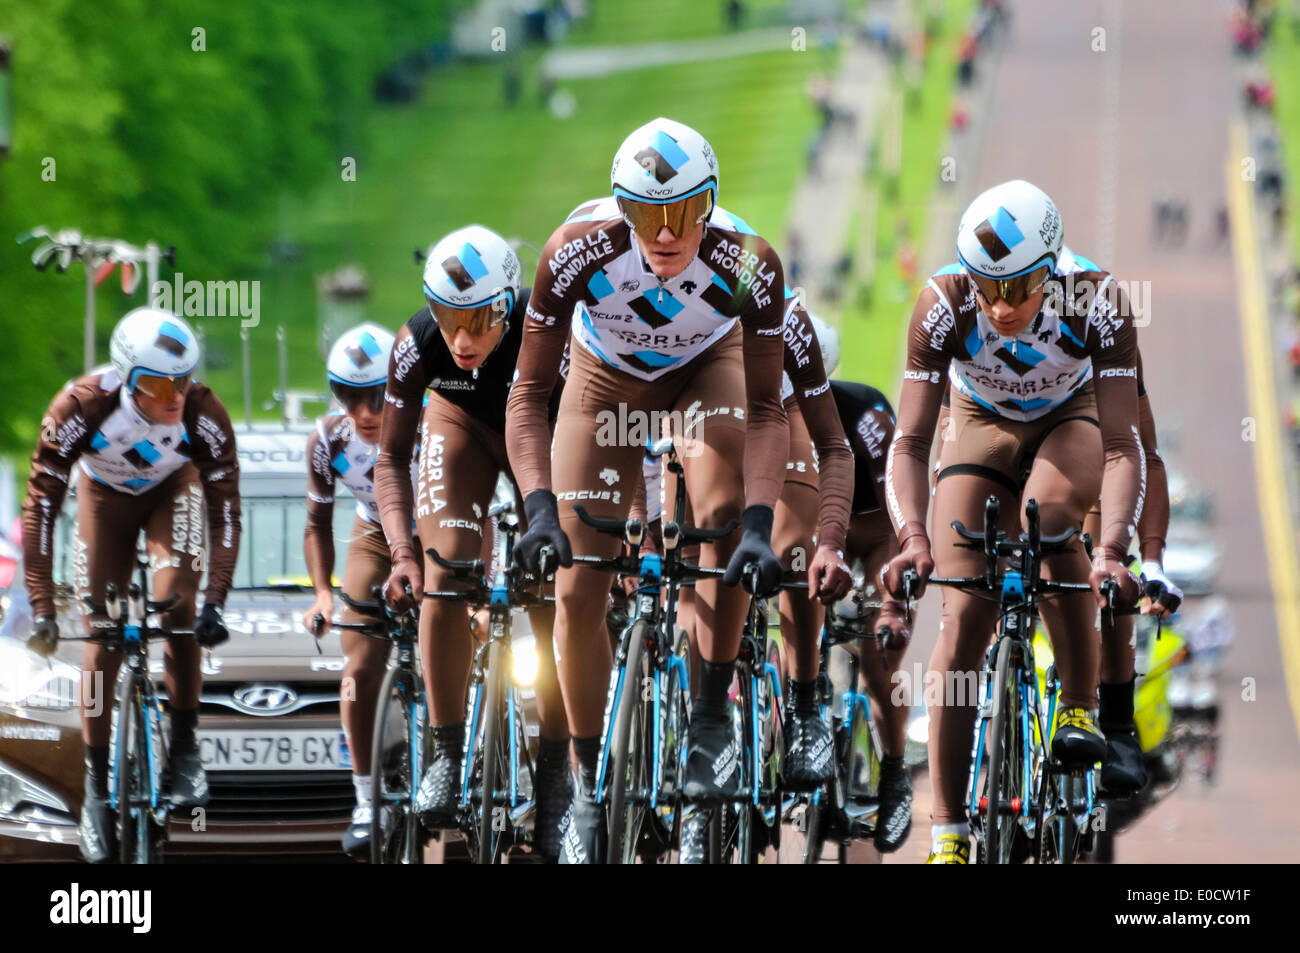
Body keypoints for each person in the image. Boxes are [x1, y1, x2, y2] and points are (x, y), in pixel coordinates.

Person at [505, 117, 801, 863]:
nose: (665, 233)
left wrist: (761, 525)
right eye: (645, 214)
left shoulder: (750, 262)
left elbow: (767, 410)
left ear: (710, 206)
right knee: (575, 585)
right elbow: (529, 392)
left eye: (683, 213)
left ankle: (708, 720)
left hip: (708, 366)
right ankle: (583, 779)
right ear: (619, 208)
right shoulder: (573, 250)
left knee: (722, 510)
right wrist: (540, 507)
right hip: (604, 375)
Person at [882, 181, 1144, 864]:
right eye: (986, 287)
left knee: (1052, 520)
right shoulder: (941, 303)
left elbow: (1123, 446)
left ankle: (1080, 706)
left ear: (1052, 268)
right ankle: (947, 832)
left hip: (1070, 416)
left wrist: (1112, 549)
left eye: (1019, 288)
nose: (999, 307)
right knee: (963, 611)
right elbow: (908, 444)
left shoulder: (1096, 300)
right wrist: (913, 538)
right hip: (980, 422)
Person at [374, 225, 572, 859]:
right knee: (447, 569)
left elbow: (592, 428)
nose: (461, 339)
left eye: (478, 321)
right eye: (447, 318)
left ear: (508, 305)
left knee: (553, 588)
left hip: (539, 425)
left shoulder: (549, 335)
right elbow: (391, 457)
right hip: (458, 424)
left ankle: (556, 775)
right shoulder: (417, 345)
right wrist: (404, 554)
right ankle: (447, 749)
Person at [21, 307, 241, 863]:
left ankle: (185, 747)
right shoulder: (81, 406)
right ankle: (97, 792)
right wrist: (43, 606)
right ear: (124, 377)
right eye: (157, 383)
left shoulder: (202, 411)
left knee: (177, 606)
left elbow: (227, 510)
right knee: (101, 633)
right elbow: (41, 505)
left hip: (174, 489)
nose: (173, 397)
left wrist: (215, 600)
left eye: (182, 380)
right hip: (103, 499)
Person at [302, 323, 423, 857]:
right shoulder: (329, 440)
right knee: (356, 665)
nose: (365, 411)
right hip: (374, 530)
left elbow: (483, 507)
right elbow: (315, 526)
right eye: (349, 396)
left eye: (376, 395)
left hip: (440, 525)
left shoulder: (428, 420)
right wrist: (324, 595)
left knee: (455, 623)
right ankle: (365, 796)